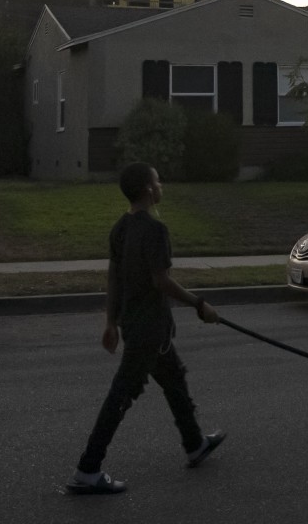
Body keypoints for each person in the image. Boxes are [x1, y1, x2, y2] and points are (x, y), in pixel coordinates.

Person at [66, 161, 225, 495]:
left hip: (138, 326)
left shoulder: (120, 228)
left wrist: (110, 321)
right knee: (120, 396)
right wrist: (199, 304)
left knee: (174, 379)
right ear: (148, 190)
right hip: (149, 331)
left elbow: (114, 278)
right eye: (157, 180)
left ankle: (194, 443)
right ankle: (88, 469)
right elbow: (161, 280)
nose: (161, 185)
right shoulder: (154, 231)